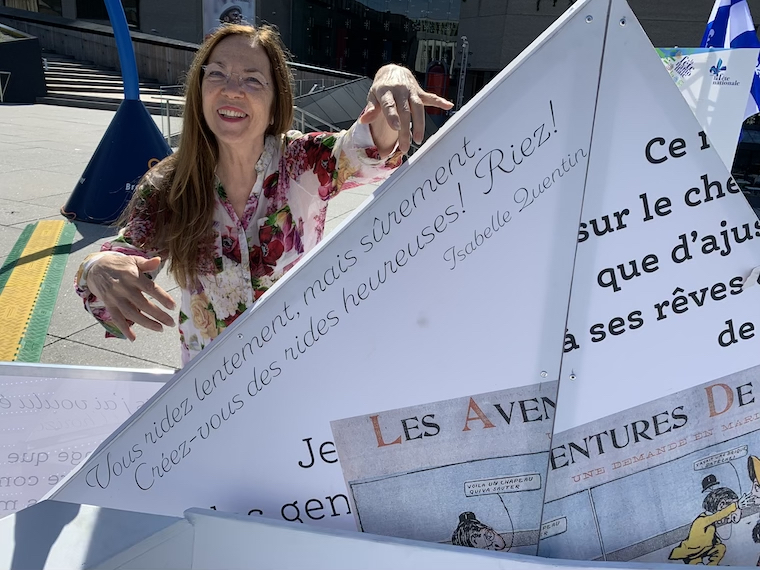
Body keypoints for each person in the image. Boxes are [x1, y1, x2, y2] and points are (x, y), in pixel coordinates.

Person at [74, 23, 452, 366]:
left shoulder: (301, 160)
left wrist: (392, 78)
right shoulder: (171, 182)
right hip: (209, 392)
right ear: (199, 90)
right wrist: (98, 268)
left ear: (276, 101)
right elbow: (122, 257)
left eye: (253, 80)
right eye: (217, 74)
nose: (232, 89)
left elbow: (370, 146)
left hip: (298, 375)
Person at [668, 479, 749, 566]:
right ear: (721, 505)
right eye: (729, 517)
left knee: (721, 548)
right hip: (691, 553)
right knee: (697, 563)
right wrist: (736, 505)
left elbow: (713, 537)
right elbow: (717, 516)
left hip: (705, 549)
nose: (726, 520)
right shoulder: (702, 521)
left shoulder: (711, 523)